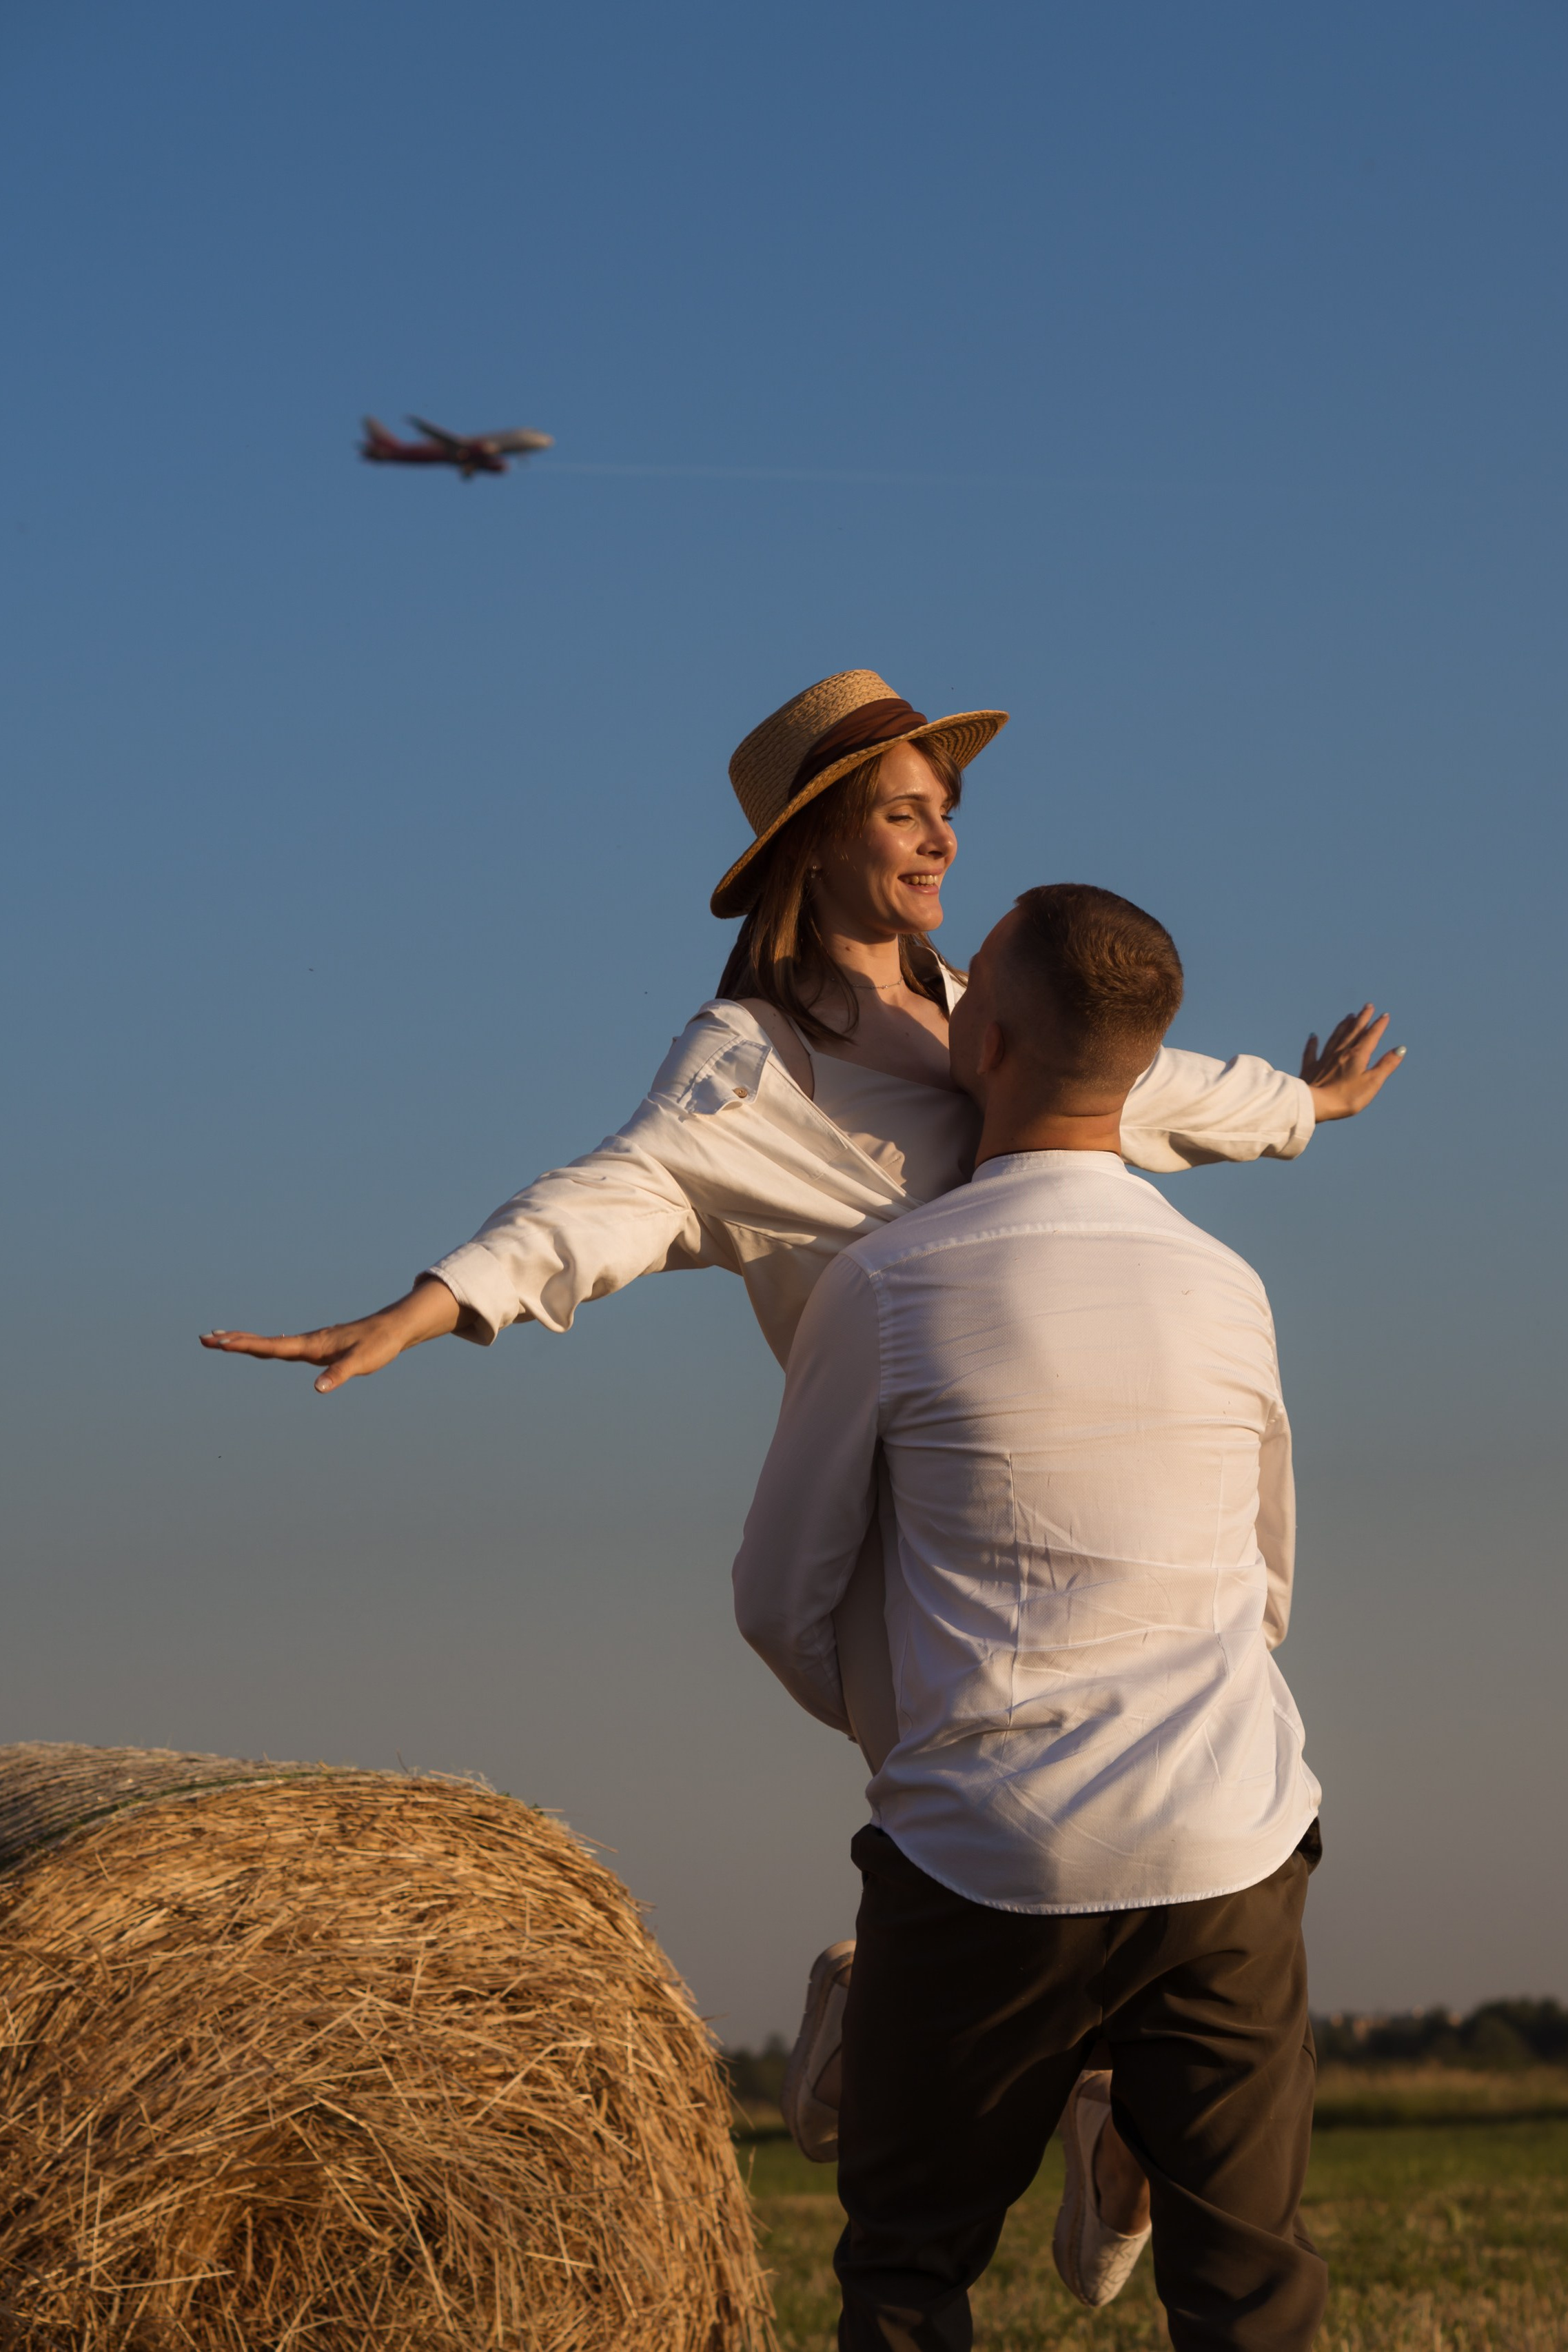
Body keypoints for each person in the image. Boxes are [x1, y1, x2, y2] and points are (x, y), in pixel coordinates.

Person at [201, 669, 1397, 2293]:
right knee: (997, 1824)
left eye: (945, 807)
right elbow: (623, 1187)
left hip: (1066, 1488)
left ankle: (1085, 2077)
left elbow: (1141, 1075)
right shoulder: (751, 1064)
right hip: (916, 1508)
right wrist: (441, 1296)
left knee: (1140, 1791)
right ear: (810, 845)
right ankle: (920, 2000)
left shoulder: (981, 999)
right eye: (902, 811)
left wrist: (1300, 1105)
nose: (941, 835)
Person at [732, 883, 1328, 2352]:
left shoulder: (883, 1283)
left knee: (907, 2275)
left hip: (979, 1854)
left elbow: (780, 1597)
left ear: (982, 1039)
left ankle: (908, 2026)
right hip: (1231, 1840)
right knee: (1250, 2291)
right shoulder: (1230, 1285)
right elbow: (1266, 1587)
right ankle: (1099, 2100)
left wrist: (924, 1743)